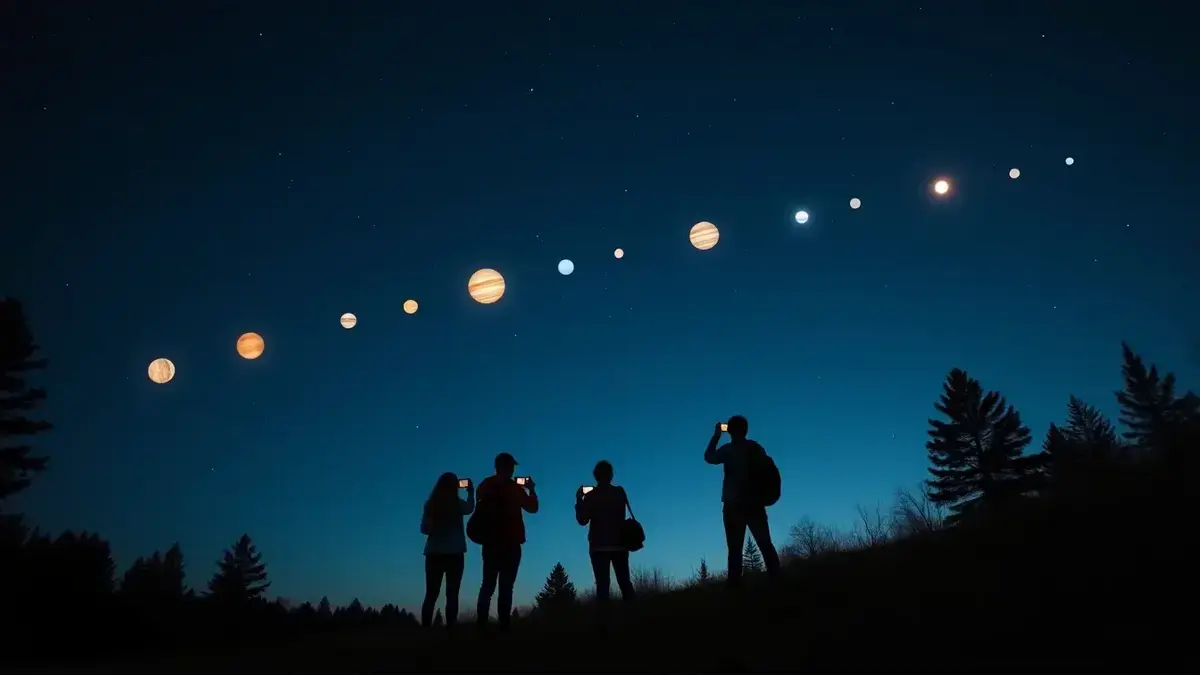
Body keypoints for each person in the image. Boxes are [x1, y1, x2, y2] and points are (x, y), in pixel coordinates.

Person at [704, 415, 781, 589]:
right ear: (745, 430)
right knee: (765, 545)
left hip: (734, 506)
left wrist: (716, 435)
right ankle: (777, 582)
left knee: (735, 550)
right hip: (755, 503)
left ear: (730, 430)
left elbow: (708, 457)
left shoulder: (728, 450)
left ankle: (735, 590)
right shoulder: (755, 447)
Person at [475, 452, 538, 633]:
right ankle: (504, 625)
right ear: (509, 468)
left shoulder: (486, 484)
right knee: (506, 585)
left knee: (487, 584)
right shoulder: (515, 489)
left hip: (491, 542)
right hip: (510, 543)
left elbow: (479, 497)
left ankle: (482, 624)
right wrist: (531, 489)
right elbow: (532, 508)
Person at [575, 460, 636, 621]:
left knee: (602, 586)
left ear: (596, 476)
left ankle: (604, 624)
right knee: (625, 582)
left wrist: (579, 501)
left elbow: (582, 520)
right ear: (611, 475)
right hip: (619, 544)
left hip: (599, 546)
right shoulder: (619, 492)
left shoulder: (591, 496)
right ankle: (634, 618)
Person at [420, 472, 475, 631]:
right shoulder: (457, 504)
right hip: (455, 553)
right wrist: (471, 492)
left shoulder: (430, 505)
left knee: (431, 593)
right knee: (452, 593)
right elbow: (470, 508)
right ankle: (450, 628)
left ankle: (425, 629)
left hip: (434, 553)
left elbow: (424, 529)